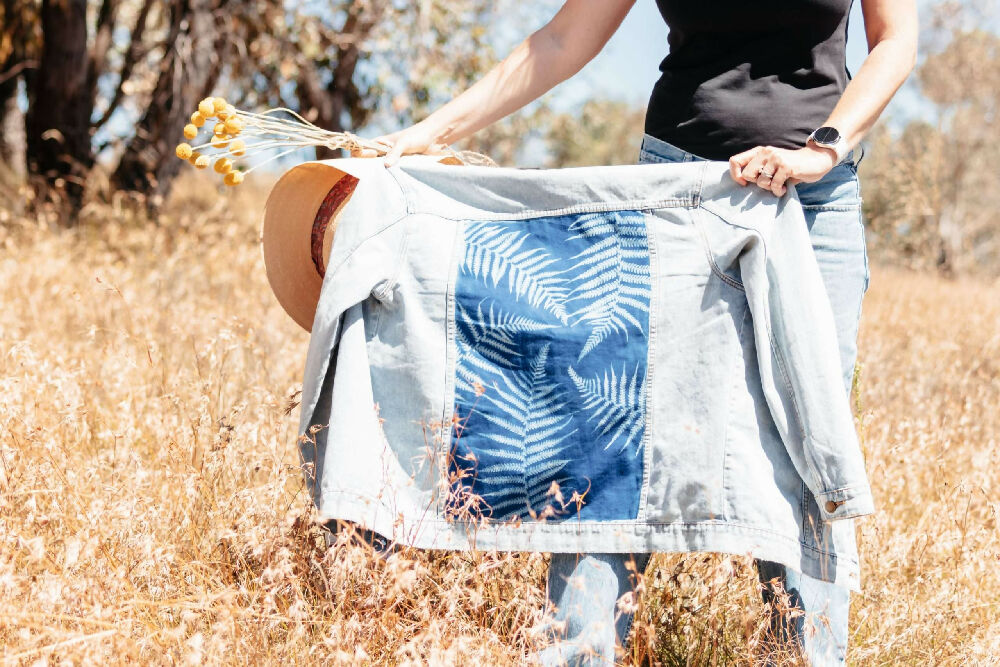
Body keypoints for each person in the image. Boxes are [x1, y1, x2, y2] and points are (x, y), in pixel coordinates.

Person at [350, 0, 917, 664]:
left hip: (813, 201)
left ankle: (805, 653)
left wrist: (823, 148)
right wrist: (428, 133)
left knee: (808, 442)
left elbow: (895, 41)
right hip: (672, 192)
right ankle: (581, 652)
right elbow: (563, 39)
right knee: (614, 428)